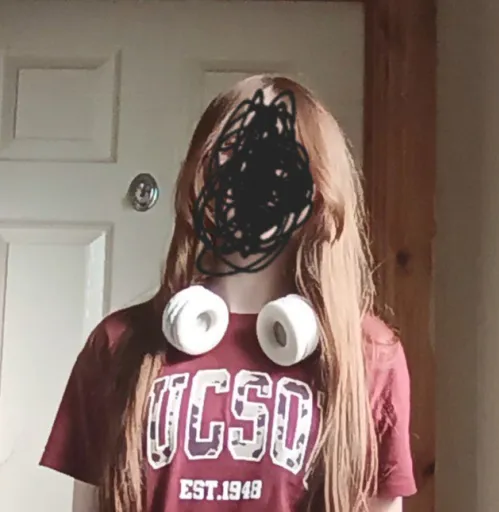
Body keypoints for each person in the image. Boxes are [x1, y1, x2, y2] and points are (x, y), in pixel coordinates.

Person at [40, 75, 416, 512]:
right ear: (202, 176)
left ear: (317, 189)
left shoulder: (369, 353)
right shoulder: (118, 342)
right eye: (235, 151)